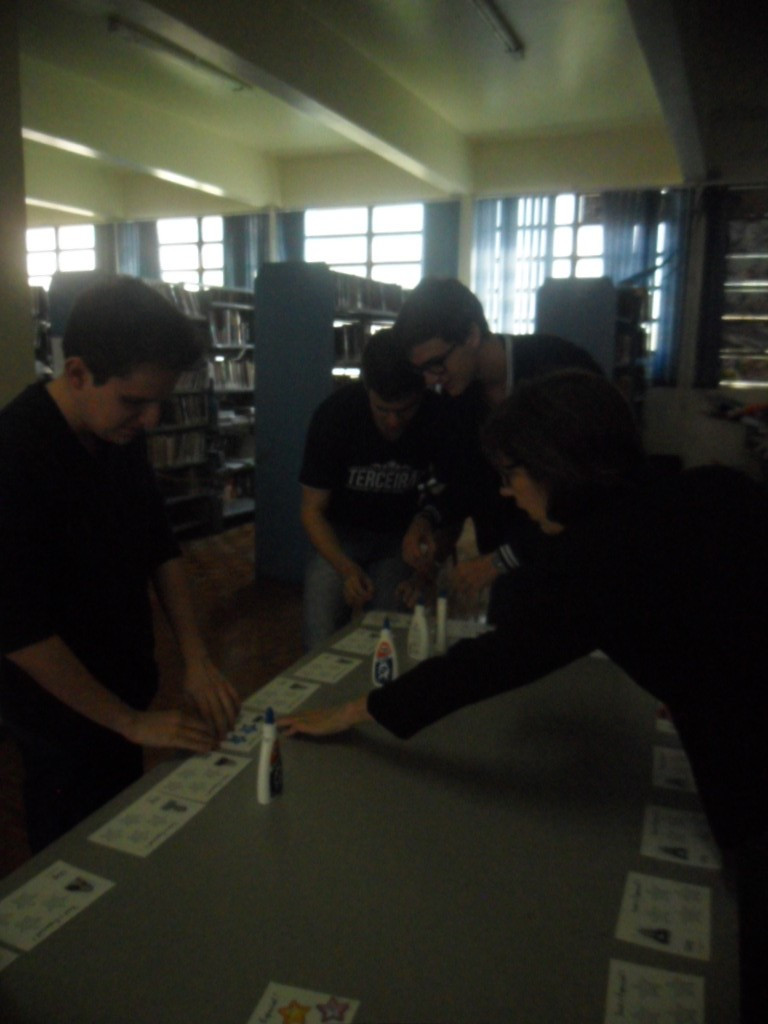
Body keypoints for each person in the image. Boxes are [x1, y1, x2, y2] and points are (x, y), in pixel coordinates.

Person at [281, 369, 768, 1022]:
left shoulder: (591, 560)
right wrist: (696, 675)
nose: (506, 491)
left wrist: (358, 708)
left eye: (513, 473)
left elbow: (494, 662)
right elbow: (711, 611)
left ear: (559, 468)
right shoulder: (714, 488)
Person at [0, 276, 241, 851]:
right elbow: (20, 631)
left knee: (120, 834)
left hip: (123, 696)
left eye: (161, 402)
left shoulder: (118, 431)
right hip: (58, 717)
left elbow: (158, 545)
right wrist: (130, 722)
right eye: (136, 401)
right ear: (77, 372)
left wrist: (196, 659)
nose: (152, 420)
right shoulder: (14, 455)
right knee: (73, 859)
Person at [394, 277, 602, 606]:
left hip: (576, 565)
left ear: (471, 335)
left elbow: (587, 491)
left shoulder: (559, 370)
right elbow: (462, 477)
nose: (432, 380)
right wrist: (428, 518)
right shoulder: (454, 398)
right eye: (423, 371)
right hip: (503, 566)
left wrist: (503, 558)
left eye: (436, 364)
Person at [299, 329, 450, 649]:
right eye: (382, 409)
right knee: (319, 635)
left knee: (389, 635)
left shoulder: (439, 417)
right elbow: (312, 510)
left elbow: (452, 505)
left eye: (405, 410)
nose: (393, 422)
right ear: (367, 389)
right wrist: (345, 568)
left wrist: (424, 572)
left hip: (400, 540)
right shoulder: (334, 416)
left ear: (422, 391)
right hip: (339, 537)